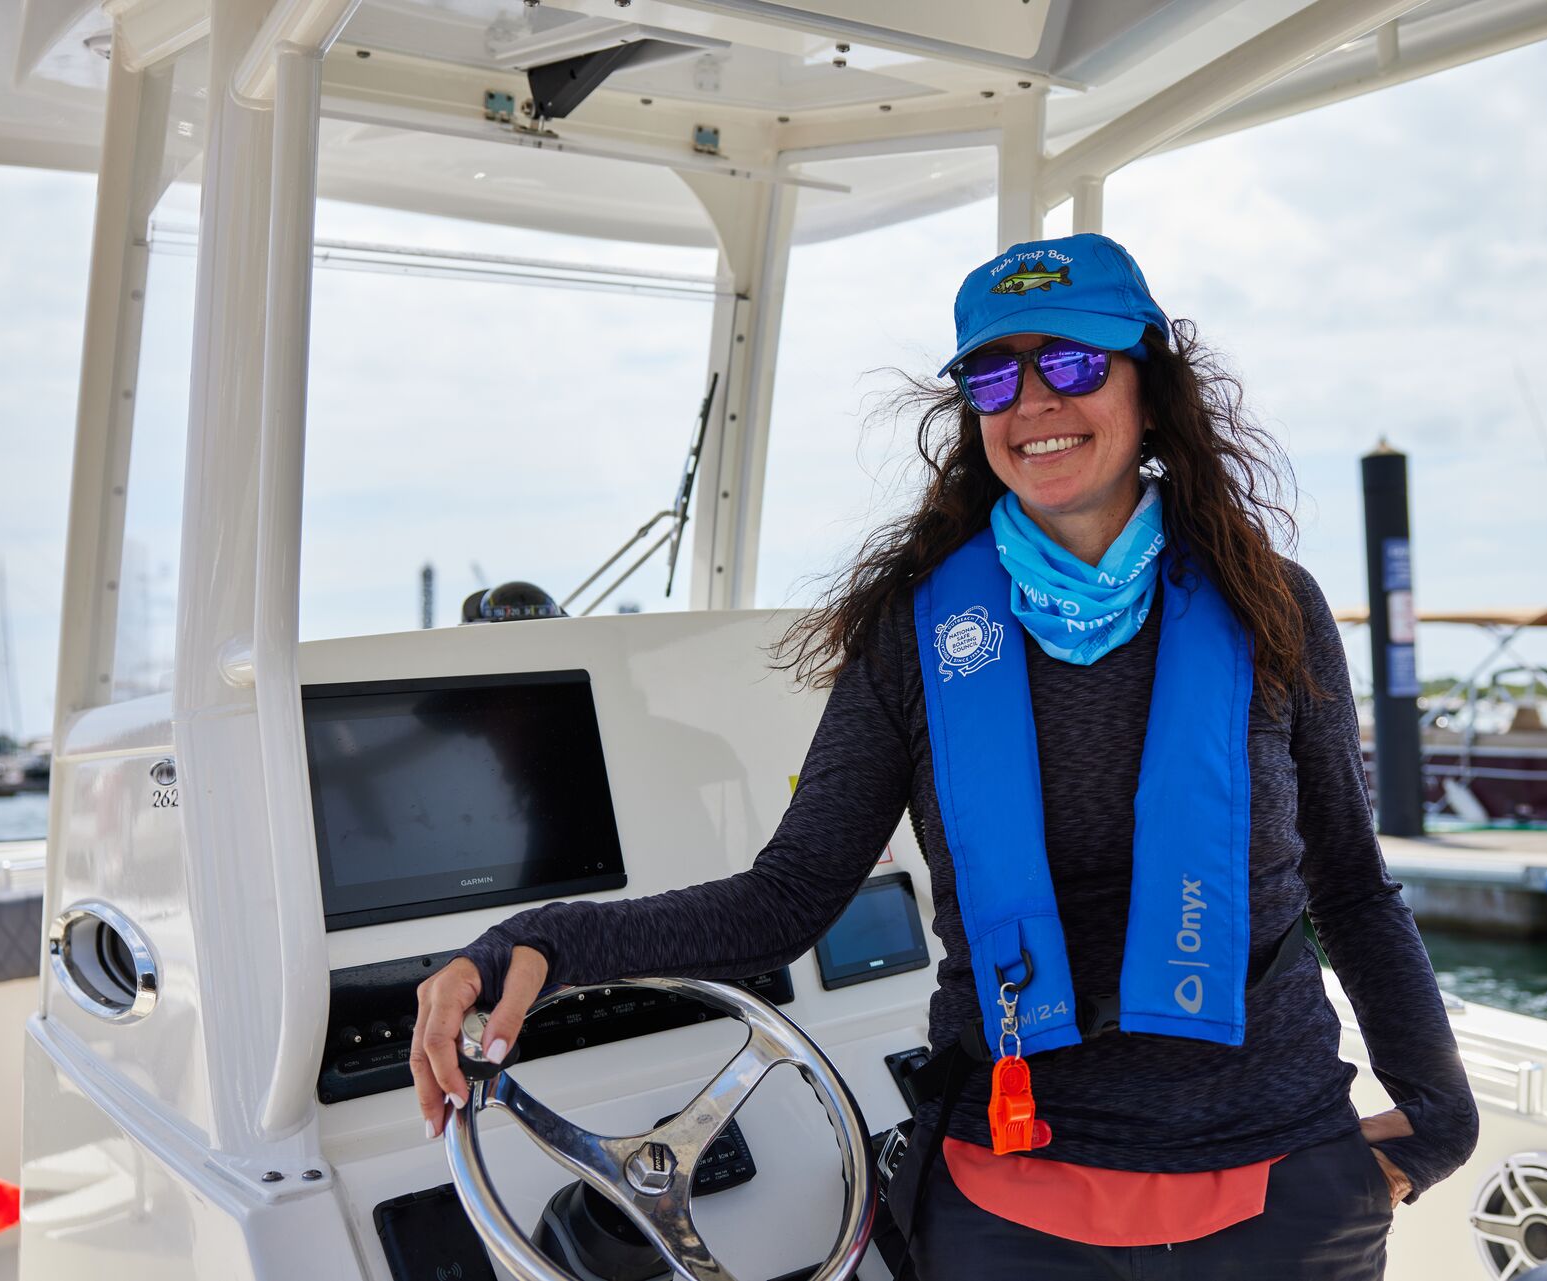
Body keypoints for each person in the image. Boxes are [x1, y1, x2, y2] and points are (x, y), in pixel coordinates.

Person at [412, 232, 1478, 1278]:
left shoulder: (1267, 604)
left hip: (1277, 1187)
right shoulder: (914, 634)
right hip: (1014, 1197)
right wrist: (528, 946)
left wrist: (1436, 1125)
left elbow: (1350, 885)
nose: (1036, 402)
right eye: (993, 375)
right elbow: (786, 900)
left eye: (1073, 362)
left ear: (1147, 391)